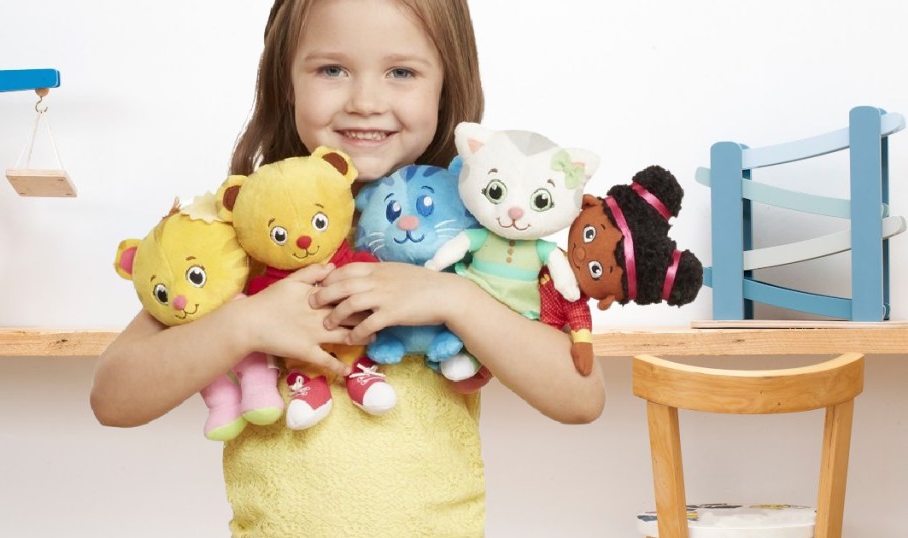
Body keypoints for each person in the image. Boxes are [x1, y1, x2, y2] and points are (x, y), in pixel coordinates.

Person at [91, 0, 606, 535]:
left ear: (445, 86)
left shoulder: (477, 234)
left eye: (401, 72)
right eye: (332, 70)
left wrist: (453, 298)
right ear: (285, 82)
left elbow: (581, 397)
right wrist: (245, 323)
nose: (365, 101)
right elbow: (113, 398)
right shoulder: (240, 231)